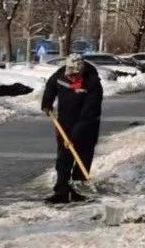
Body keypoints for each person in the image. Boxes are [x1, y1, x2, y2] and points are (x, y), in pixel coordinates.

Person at [41, 53, 103, 204]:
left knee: (82, 157)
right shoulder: (60, 75)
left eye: (76, 75)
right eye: (70, 75)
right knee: (63, 158)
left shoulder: (92, 83)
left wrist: (75, 136)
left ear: (81, 71)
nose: (72, 78)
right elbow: (51, 86)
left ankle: (78, 191)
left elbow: (90, 112)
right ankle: (61, 191)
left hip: (88, 125)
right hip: (64, 123)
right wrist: (47, 103)